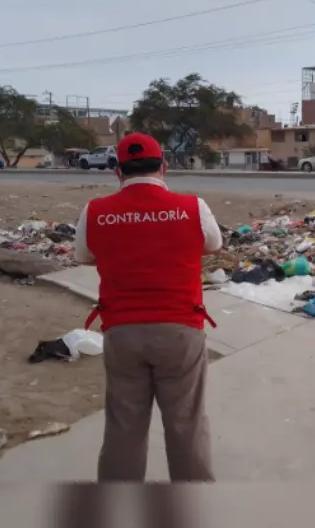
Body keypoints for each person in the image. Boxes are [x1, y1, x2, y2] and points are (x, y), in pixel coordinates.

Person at [73, 132, 222, 482]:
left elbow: (83, 255)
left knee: (124, 426)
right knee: (186, 424)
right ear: (164, 168)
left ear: (118, 172)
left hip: (122, 332)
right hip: (181, 330)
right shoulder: (193, 207)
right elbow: (213, 245)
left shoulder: (95, 211)